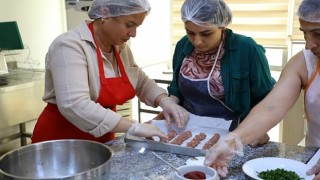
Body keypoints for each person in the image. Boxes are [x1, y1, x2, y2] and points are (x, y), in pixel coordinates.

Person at [31, 0, 189, 144]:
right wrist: (133, 127)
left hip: (103, 140)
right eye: (129, 25)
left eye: (136, 27)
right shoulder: (69, 46)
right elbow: (75, 104)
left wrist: (164, 101)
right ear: (105, 14)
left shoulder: (119, 48)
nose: (133, 34)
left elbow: (141, 83)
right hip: (62, 141)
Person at [203, 0, 320, 178]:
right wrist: (231, 142)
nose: (308, 45)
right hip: (314, 158)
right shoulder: (305, 62)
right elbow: (270, 107)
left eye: (318, 34)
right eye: (305, 34)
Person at [161, 0, 275, 146]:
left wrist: (258, 130)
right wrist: (170, 103)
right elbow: (176, 87)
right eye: (190, 32)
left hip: (233, 136)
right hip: (189, 132)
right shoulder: (183, 45)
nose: (197, 41)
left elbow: (266, 99)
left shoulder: (246, 49)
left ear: (222, 25)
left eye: (206, 33)